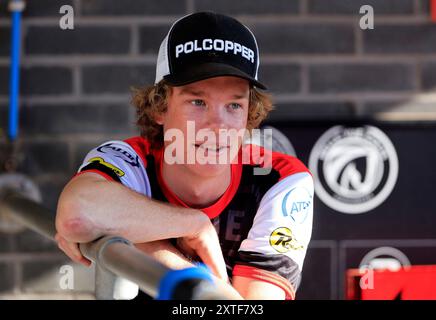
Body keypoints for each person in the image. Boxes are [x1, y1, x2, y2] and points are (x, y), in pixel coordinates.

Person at [55, 11, 314, 300]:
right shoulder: (129, 160)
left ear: (249, 112)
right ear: (160, 107)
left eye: (234, 105)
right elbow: (76, 217)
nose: (217, 125)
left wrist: (148, 246)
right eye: (198, 101)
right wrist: (194, 224)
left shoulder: (278, 178)